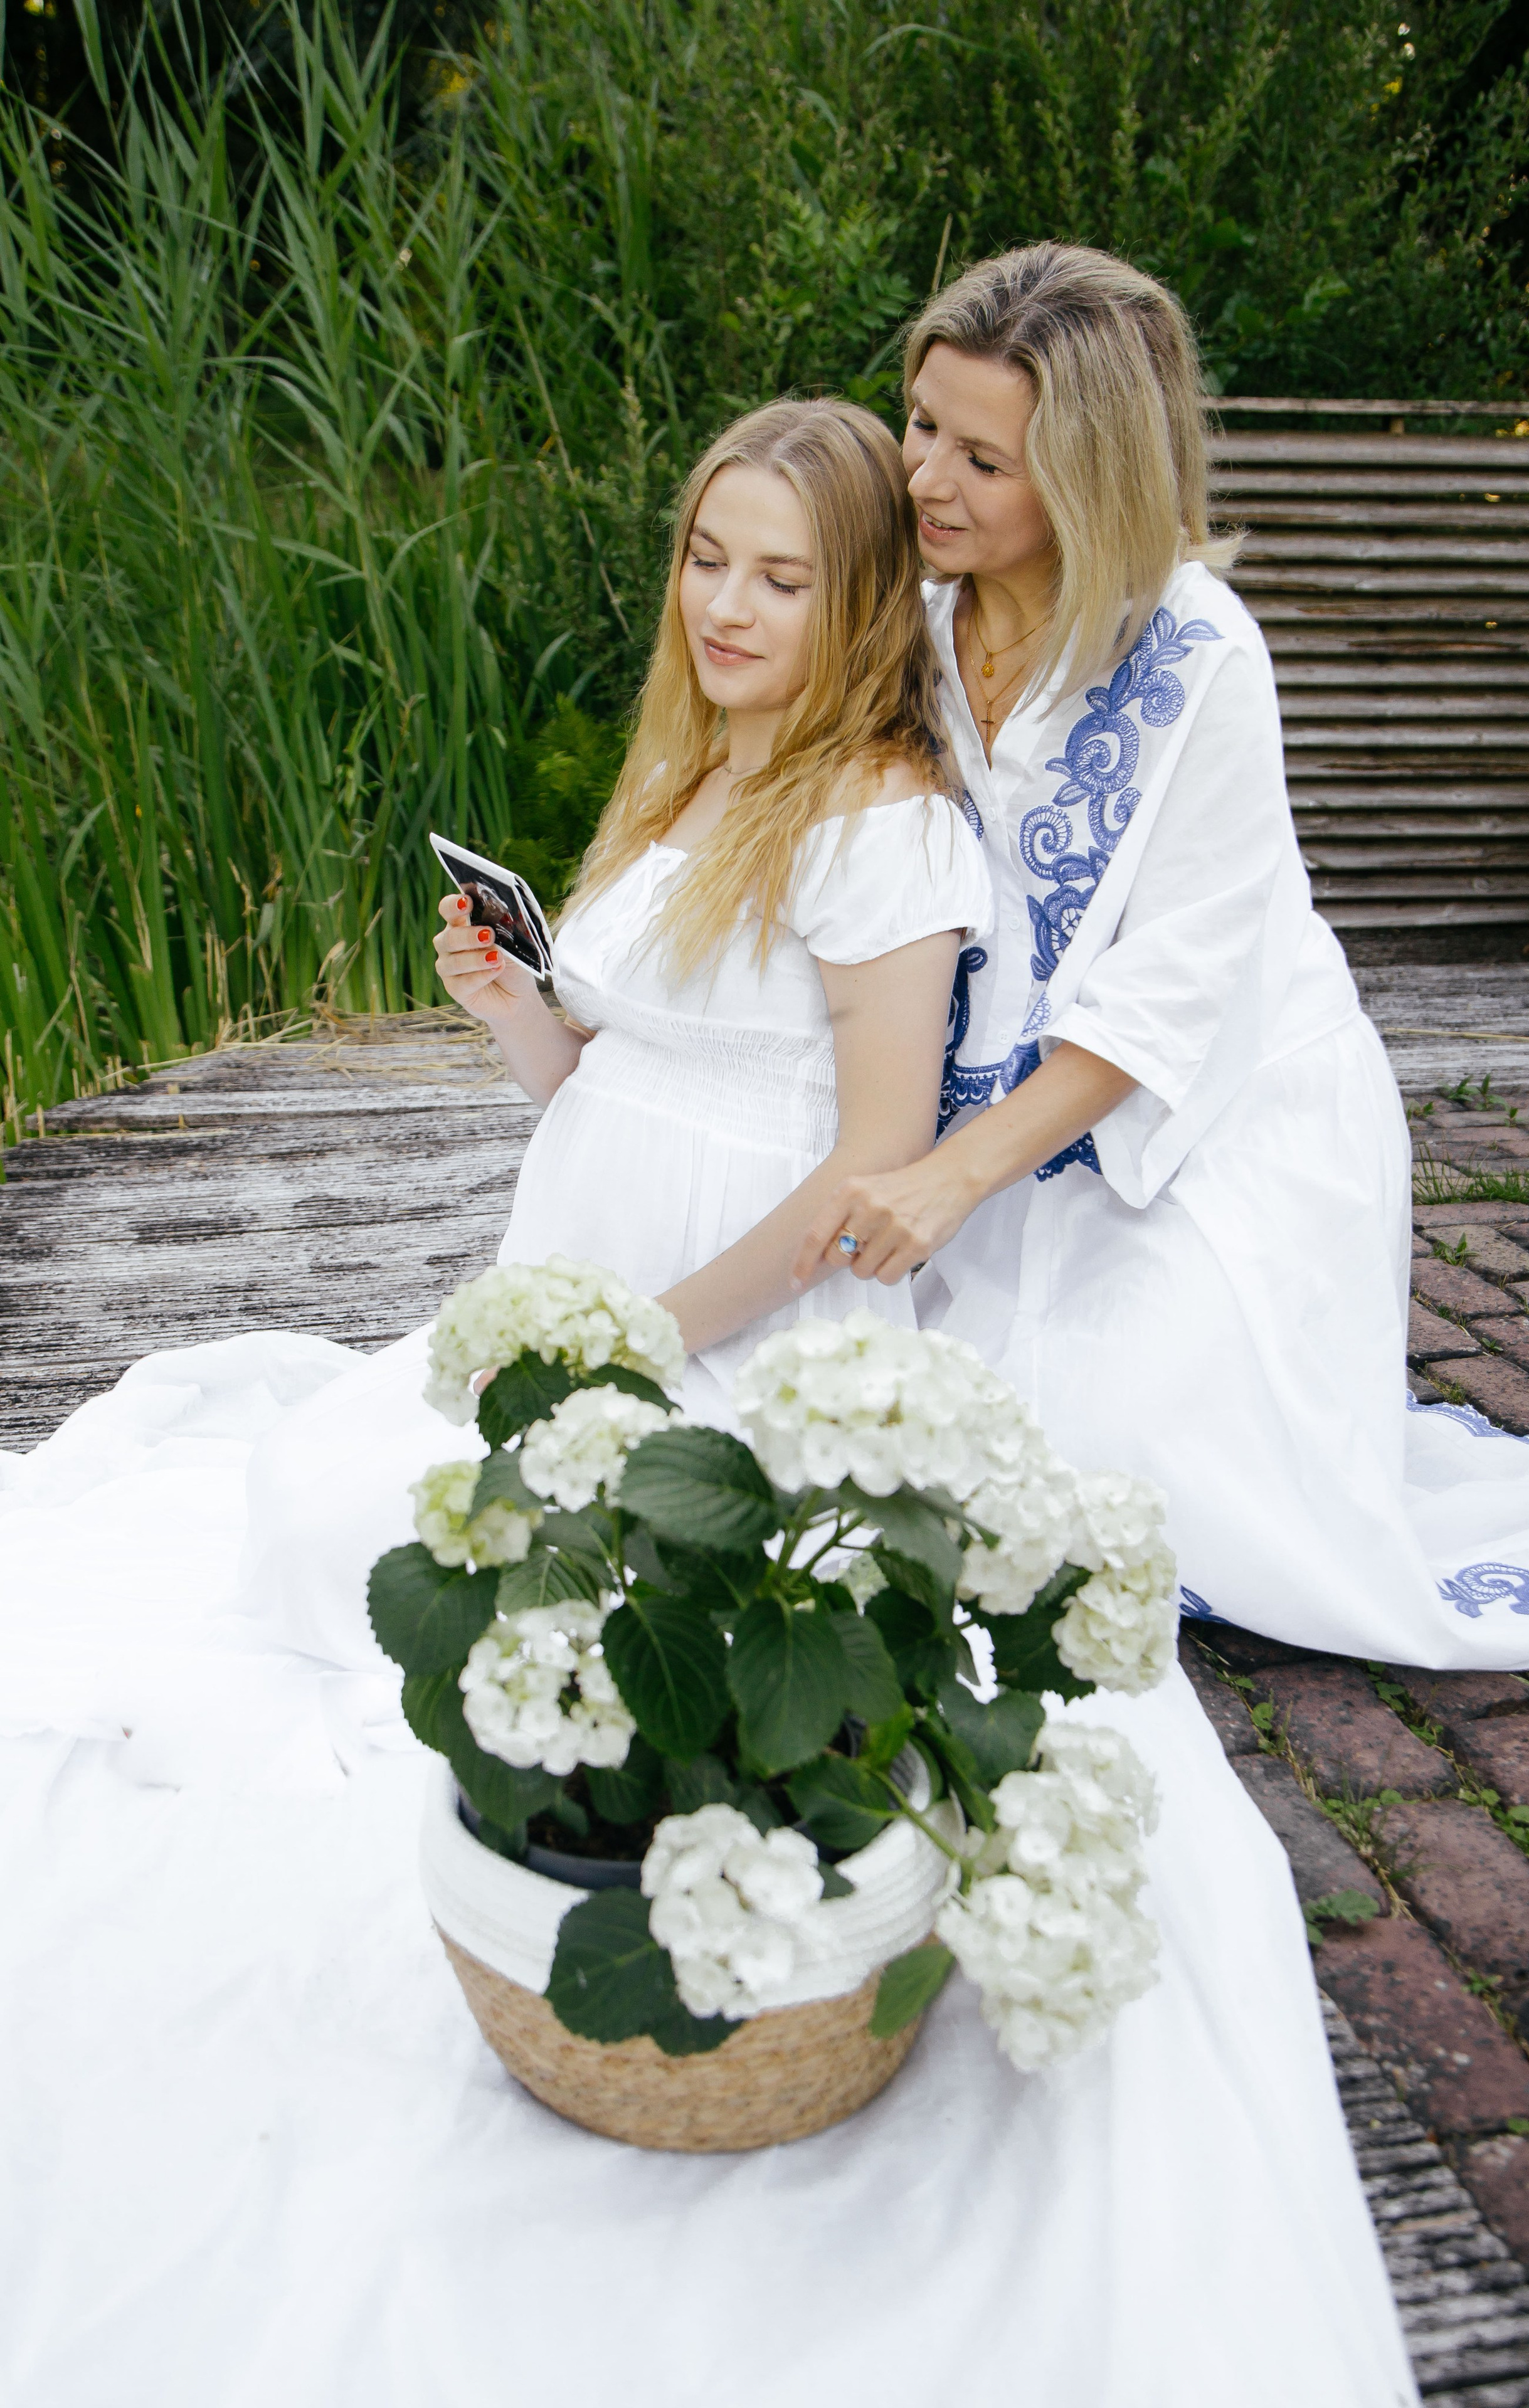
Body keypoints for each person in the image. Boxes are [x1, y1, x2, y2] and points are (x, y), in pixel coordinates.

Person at [0, 389, 1413, 2406]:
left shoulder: (881, 824)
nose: (731, 604)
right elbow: (611, 1094)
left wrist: (650, 1340)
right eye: (707, 558)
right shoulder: (698, 775)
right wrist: (518, 1015)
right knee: (302, 1490)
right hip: (578, 1286)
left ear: (858, 603)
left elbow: (861, 1165)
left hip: (724, 1330)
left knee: (355, 1536)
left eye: (785, 575)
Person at [795, 241, 1529, 1676]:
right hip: (991, 1114)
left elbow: (1173, 990)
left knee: (1129, 1474)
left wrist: (950, 1177)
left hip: (1221, 1114)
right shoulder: (910, 619)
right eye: (922, 425)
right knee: (907, 1443)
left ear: (1091, 474)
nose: (925, 478)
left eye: (984, 459)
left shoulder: (1197, 657)